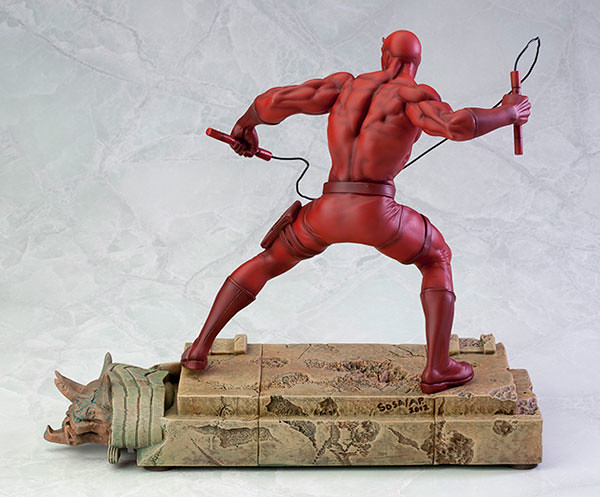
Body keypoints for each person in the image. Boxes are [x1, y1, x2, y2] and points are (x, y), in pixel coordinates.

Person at [181, 30, 531, 394]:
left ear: (384, 54)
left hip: (327, 211)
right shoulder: (414, 96)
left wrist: (245, 126)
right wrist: (509, 112)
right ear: (416, 62)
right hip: (377, 214)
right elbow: (457, 125)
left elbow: (274, 101)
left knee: (270, 260)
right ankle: (438, 368)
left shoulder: (343, 86)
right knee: (436, 257)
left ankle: (199, 348)